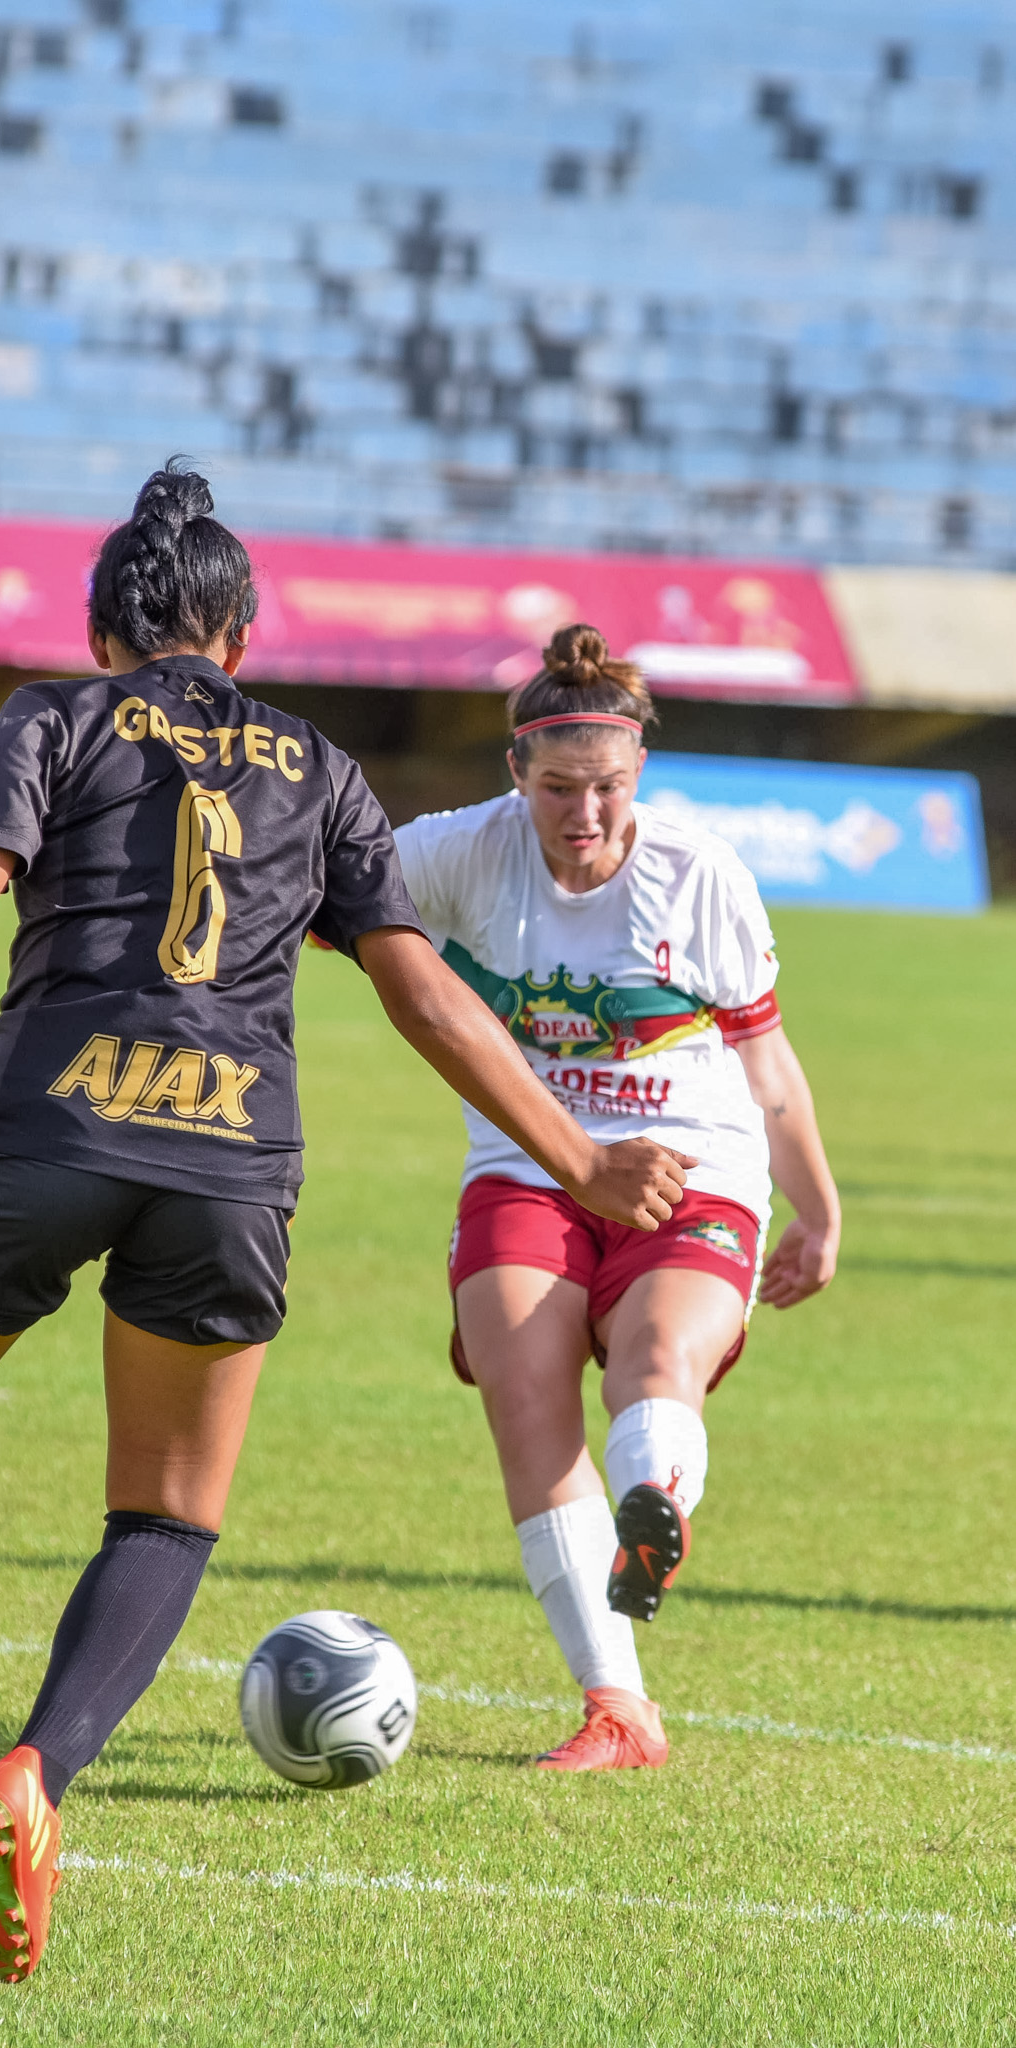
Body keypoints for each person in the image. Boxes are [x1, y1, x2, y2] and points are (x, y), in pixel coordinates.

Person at [0, 466, 691, 1982]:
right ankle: (33, 1779)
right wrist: (580, 1158)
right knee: (168, 1514)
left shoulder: (48, 722)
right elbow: (417, 988)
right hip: (232, 1160)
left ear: (100, 629)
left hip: (41, 1128)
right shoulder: (316, 765)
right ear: (240, 635)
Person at [394, 625, 841, 1773]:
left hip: (692, 1164)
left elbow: (767, 1064)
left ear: (638, 776)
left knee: (654, 1360)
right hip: (523, 1163)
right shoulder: (456, 854)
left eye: (605, 789)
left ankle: (653, 1500)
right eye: (556, 789)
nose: (582, 816)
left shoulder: (701, 876)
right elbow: (318, 883)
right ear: (514, 775)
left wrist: (820, 1213)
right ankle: (618, 1708)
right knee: (523, 1389)